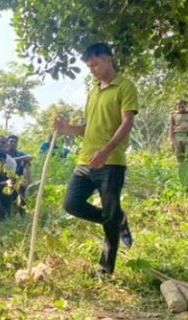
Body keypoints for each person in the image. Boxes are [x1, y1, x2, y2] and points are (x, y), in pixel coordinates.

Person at [54, 43, 136, 277]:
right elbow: (88, 128)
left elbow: (127, 122)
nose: (92, 70)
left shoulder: (125, 86)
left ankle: (105, 268)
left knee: (109, 210)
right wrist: (67, 128)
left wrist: (106, 151)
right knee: (72, 204)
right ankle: (117, 219)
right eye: (88, 66)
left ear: (109, 60)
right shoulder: (93, 91)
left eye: (95, 65)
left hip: (111, 163)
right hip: (85, 162)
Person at [7, 135, 33, 210]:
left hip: (19, 175)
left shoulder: (19, 153)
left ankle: (27, 184)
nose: (13, 143)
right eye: (11, 141)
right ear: (7, 143)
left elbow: (30, 157)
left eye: (15, 142)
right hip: (7, 175)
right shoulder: (4, 153)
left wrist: (14, 159)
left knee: (27, 163)